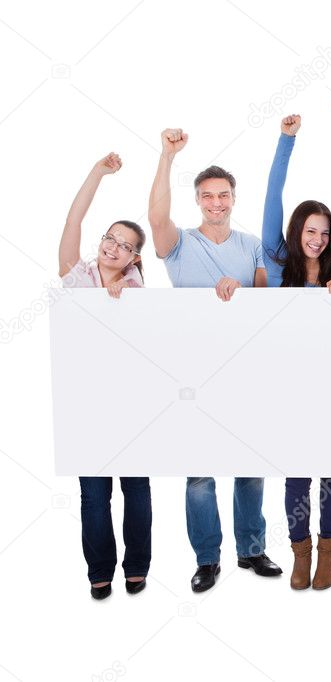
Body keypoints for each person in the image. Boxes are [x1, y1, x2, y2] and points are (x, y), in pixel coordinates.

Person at [148, 128, 281, 593]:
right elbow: (155, 215)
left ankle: (252, 549)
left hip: (246, 373)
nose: (216, 203)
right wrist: (166, 157)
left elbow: (267, 300)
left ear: (233, 198)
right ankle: (208, 559)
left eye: (223, 195)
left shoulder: (250, 246)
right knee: (200, 474)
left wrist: (242, 291)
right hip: (194, 376)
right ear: (199, 201)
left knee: (249, 467)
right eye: (207, 196)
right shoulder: (179, 244)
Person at [263, 114, 331, 590]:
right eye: (310, 231)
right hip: (290, 386)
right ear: (298, 230)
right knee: (298, 473)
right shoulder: (278, 264)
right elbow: (271, 198)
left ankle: (329, 553)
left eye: (324, 232)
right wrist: (286, 140)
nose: (318, 239)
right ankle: (300, 552)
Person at [60, 152, 151, 600]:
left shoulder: (137, 288)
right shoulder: (78, 277)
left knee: (136, 490)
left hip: (131, 407)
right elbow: (73, 221)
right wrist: (97, 172)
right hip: (85, 407)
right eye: (109, 239)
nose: (112, 248)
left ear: (135, 257)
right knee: (94, 497)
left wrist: (125, 297)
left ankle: (137, 567)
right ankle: (100, 571)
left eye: (123, 245)